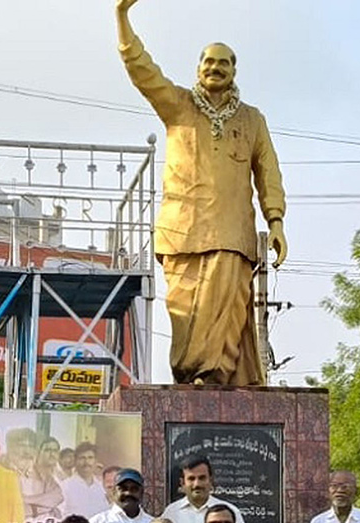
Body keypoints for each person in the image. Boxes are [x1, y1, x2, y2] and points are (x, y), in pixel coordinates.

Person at [116, 0, 285, 386]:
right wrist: (122, 17)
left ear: (234, 70)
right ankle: (190, 377)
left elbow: (269, 173)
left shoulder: (252, 120)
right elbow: (141, 70)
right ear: (198, 69)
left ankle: (212, 377)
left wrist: (275, 221)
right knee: (185, 314)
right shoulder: (178, 105)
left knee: (224, 313)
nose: (215, 68)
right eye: (209, 62)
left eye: (223, 63)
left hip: (231, 234)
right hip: (183, 233)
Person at [163, 454, 253, 523]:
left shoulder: (229, 512)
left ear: (210, 480)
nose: (197, 484)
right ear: (182, 483)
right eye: (191, 479)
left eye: (202, 478)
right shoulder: (171, 513)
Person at [22, 437, 66, 523]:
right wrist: (48, 505)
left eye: (55, 451)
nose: (52, 454)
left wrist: (27, 500)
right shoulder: (26, 474)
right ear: (39, 452)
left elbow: (59, 498)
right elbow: (20, 506)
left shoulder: (61, 478)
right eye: (47, 450)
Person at [61, 442, 108, 519]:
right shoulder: (65, 487)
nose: (86, 462)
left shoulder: (102, 488)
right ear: (75, 461)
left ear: (96, 461)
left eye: (90, 458)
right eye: (82, 458)